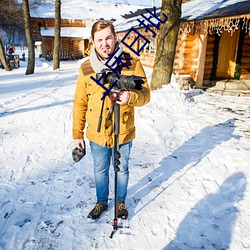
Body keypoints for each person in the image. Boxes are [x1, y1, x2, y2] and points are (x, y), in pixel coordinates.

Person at [72, 20, 150, 220]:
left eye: (108, 38)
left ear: (115, 38)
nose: (104, 43)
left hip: (123, 130)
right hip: (97, 133)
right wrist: (77, 134)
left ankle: (121, 202)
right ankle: (101, 202)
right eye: (100, 40)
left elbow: (146, 95)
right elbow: (80, 102)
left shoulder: (132, 63)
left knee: (122, 168)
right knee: (100, 170)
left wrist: (130, 97)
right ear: (93, 42)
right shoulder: (86, 68)